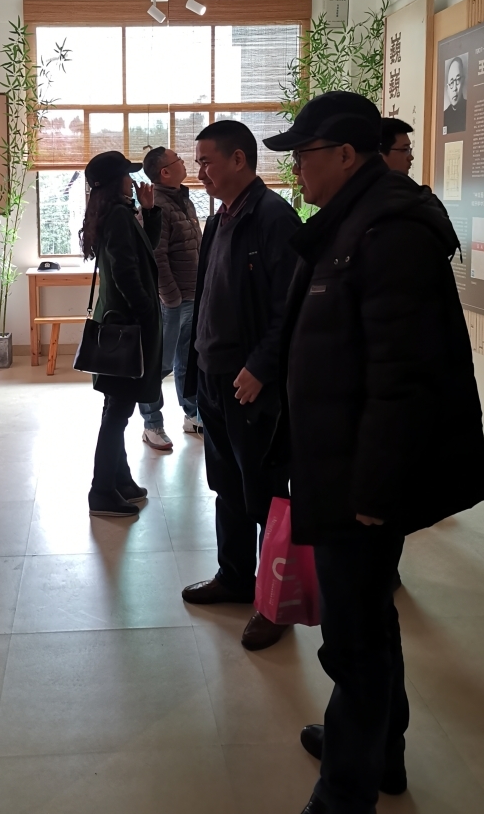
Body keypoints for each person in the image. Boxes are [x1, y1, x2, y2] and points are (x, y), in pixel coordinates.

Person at [262, 91, 484, 814]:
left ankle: (345, 792)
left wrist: (373, 491)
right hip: (340, 464)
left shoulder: (389, 231)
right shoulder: (350, 221)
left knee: (355, 639)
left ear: (344, 154)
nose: (297, 169)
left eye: (304, 155)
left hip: (360, 480)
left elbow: (405, 377)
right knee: (366, 621)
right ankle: (381, 750)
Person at [181, 120, 301, 651]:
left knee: (267, 494)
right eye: (198, 163)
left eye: (207, 162)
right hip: (214, 376)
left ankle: (276, 602)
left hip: (250, 382)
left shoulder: (273, 217)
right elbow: (207, 297)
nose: (200, 172)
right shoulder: (220, 219)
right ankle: (234, 577)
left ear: (238, 159)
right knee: (226, 485)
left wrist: (262, 366)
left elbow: (289, 307)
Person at [79, 150, 163, 517]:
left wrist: (150, 211)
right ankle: (101, 491)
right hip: (127, 327)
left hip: (119, 324)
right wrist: (146, 312)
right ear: (116, 182)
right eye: (127, 175)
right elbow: (128, 272)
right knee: (118, 412)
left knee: (116, 408)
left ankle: (120, 480)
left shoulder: (115, 213)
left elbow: (145, 252)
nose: (133, 180)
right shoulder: (116, 216)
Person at [137, 146, 203, 451]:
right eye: (178, 160)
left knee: (187, 361)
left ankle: (192, 414)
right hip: (172, 302)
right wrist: (172, 298)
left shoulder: (183, 199)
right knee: (159, 366)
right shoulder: (158, 207)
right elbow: (157, 258)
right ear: (165, 172)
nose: (185, 163)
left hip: (193, 296)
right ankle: (152, 425)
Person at [443, 55, 467, 134]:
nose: (454, 88)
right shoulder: (444, 116)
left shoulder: (469, 109)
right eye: (451, 82)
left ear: (463, 81)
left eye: (458, 80)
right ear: (447, 88)